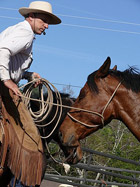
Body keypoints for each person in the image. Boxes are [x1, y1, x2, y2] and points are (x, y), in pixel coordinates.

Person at [0, 1, 61, 187]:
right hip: (3, 87)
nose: (47, 25)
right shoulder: (25, 33)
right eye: (44, 20)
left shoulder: (17, 30)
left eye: (48, 21)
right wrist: (7, 80)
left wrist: (27, 75)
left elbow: (11, 62)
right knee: (32, 141)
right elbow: (2, 51)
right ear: (31, 16)